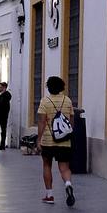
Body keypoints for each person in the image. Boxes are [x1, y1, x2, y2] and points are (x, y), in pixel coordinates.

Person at [36, 75, 76, 206]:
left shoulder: (45, 101)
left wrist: (39, 139)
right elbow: (71, 122)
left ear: (49, 88)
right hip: (64, 140)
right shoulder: (68, 100)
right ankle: (68, 184)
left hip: (48, 140)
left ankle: (49, 195)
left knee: (47, 165)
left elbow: (42, 122)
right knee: (64, 167)